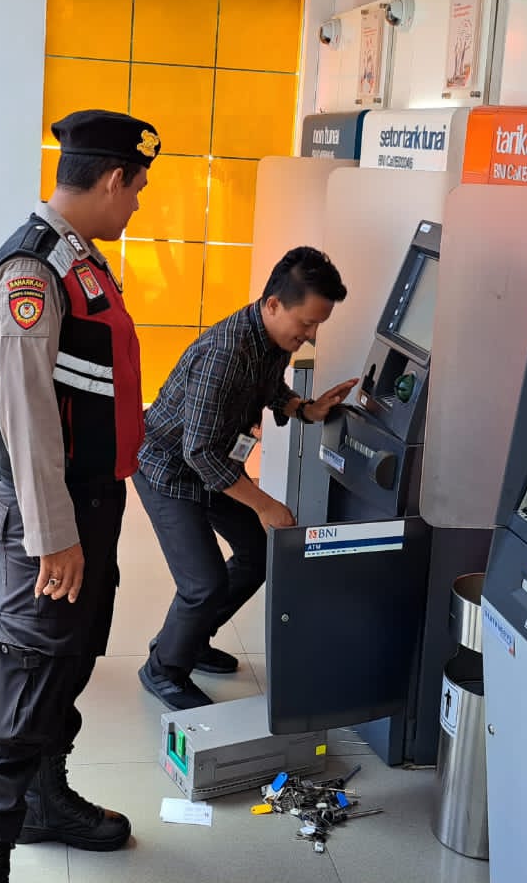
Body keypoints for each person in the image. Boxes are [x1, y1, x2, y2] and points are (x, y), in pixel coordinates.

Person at [0, 109, 159, 883]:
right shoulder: (32, 270)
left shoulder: (81, 259)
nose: (135, 205)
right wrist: (52, 536)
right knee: (22, 690)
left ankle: (44, 800)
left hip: (89, 507)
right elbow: (26, 413)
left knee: (65, 667)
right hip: (55, 516)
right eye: (135, 190)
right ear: (112, 179)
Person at [134, 246, 357, 710]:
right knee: (204, 582)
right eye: (307, 324)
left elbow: (270, 388)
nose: (310, 336)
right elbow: (197, 451)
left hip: (213, 467)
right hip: (169, 469)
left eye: (317, 326)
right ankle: (163, 668)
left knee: (258, 553)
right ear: (273, 304)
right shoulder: (226, 352)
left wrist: (305, 409)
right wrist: (264, 503)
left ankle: (189, 640)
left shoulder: (271, 340)